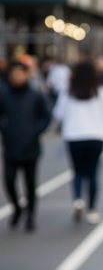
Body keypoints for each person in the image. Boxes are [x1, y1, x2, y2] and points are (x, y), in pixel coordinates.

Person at [53, 60, 103, 224]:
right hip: (96, 136)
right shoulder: (101, 91)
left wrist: (58, 126)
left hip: (74, 135)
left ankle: (78, 199)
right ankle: (92, 209)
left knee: (77, 171)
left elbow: (58, 113)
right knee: (93, 173)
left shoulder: (68, 91)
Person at [0, 60, 50, 231]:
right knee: (8, 180)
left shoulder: (35, 95)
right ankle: (17, 208)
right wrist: (5, 129)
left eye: (20, 73)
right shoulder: (4, 95)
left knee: (30, 184)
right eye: (13, 73)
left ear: (26, 74)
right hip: (11, 146)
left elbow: (46, 117)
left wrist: (34, 132)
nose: (16, 76)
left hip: (30, 147)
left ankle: (30, 215)